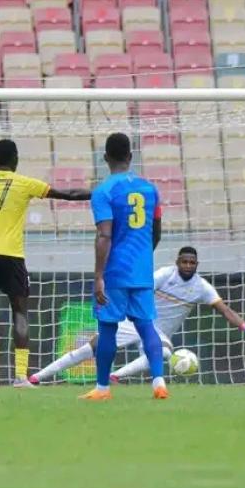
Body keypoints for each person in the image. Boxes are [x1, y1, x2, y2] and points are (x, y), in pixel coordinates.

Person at [0, 139, 91, 388]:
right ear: (16, 159)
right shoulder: (25, 183)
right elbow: (68, 195)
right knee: (20, 312)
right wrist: (98, 193)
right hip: (12, 256)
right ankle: (19, 376)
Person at [29, 246, 245, 384]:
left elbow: (225, 310)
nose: (188, 265)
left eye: (192, 262)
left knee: (165, 352)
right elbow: (141, 287)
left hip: (158, 332)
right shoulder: (165, 274)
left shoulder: (202, 287)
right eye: (185, 261)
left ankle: (115, 376)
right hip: (135, 320)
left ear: (197, 264)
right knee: (89, 348)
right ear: (177, 262)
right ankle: (37, 378)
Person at [80, 132, 166, 400]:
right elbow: (157, 231)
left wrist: (98, 276)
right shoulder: (150, 189)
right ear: (130, 156)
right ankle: (159, 383)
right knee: (146, 326)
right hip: (142, 272)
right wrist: (143, 257)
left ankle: (103, 388)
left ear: (105, 158)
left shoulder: (103, 191)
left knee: (108, 329)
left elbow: (104, 235)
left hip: (115, 272)